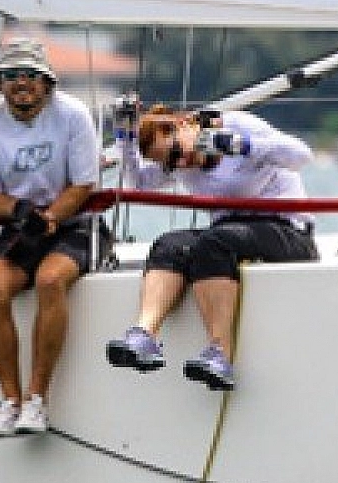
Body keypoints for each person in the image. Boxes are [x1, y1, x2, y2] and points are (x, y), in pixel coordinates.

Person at [105, 100, 317, 391]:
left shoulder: (236, 125)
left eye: (177, 152)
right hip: (231, 232)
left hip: (287, 230)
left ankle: (220, 354)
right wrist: (124, 136)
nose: (180, 164)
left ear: (183, 126)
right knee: (169, 244)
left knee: (215, 241)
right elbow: (141, 182)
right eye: (169, 163)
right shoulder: (180, 160)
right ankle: (144, 334)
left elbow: (301, 155)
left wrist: (242, 145)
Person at [0, 37, 104, 439]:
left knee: (49, 279)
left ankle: (37, 399)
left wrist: (50, 218)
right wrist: (20, 213)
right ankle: (9, 401)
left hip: (75, 219)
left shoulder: (73, 114)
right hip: (21, 222)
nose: (21, 82)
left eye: (30, 75)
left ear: (47, 83)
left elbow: (84, 183)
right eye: (11, 76)